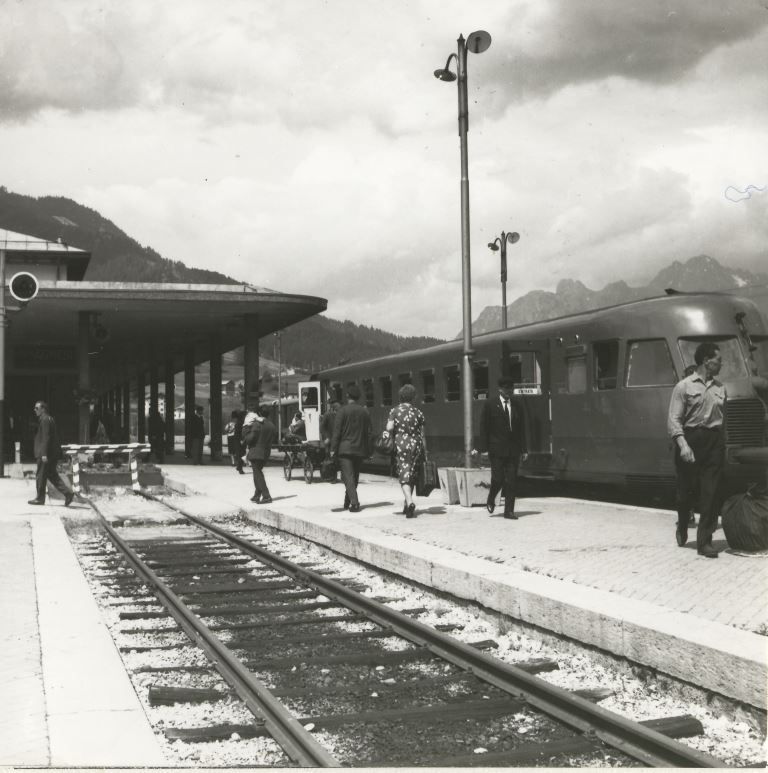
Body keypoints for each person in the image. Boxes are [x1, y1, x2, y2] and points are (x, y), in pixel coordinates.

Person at [667, 342, 726, 558]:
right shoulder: (683, 387)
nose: (721, 364)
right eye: (718, 360)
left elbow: (722, 420)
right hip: (690, 441)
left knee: (711, 493)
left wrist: (722, 445)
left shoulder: (721, 388)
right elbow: (674, 420)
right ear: (706, 361)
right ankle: (683, 524)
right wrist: (683, 445)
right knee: (685, 495)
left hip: (713, 443)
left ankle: (705, 542)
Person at [473, 376, 528, 519]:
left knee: (511, 481)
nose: (509, 392)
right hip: (496, 449)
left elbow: (521, 429)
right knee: (498, 479)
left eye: (511, 389)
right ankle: (491, 497)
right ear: (500, 389)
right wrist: (482, 448)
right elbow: (483, 428)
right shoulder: (490, 404)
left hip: (513, 449)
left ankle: (509, 511)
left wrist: (524, 449)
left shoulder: (517, 404)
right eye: (506, 389)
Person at [384, 384, 426, 519]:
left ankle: (409, 502)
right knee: (412, 473)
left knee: (404, 473)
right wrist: (425, 449)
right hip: (416, 445)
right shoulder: (418, 412)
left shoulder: (395, 411)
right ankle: (406, 506)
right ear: (413, 397)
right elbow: (423, 434)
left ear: (401, 397)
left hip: (401, 445)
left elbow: (389, 428)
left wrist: (389, 430)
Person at [330, 383, 373, 512]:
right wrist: (369, 449)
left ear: (347, 396)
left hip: (345, 449)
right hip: (359, 448)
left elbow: (336, 432)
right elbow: (369, 432)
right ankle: (347, 501)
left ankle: (354, 503)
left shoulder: (342, 411)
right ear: (358, 397)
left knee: (348, 476)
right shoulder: (364, 412)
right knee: (355, 477)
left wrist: (333, 449)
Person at [28, 401, 73, 507]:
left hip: (46, 454)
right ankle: (68, 494)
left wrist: (43, 453)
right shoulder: (49, 419)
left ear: (43, 409)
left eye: (37, 408)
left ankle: (40, 498)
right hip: (51, 453)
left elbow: (46, 437)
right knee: (52, 475)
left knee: (41, 475)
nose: (35, 410)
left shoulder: (44, 420)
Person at [243, 407, 276, 504]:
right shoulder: (272, 425)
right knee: (257, 472)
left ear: (259, 413)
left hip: (256, 451)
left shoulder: (257, 424)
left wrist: (245, 436)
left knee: (257, 473)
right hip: (266, 452)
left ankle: (266, 496)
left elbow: (251, 438)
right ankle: (257, 495)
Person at [224, 409, 246, 474]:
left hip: (237, 439)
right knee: (241, 454)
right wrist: (241, 440)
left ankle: (239, 467)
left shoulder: (238, 422)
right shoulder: (240, 422)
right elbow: (239, 433)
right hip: (239, 440)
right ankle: (240, 468)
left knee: (240, 454)